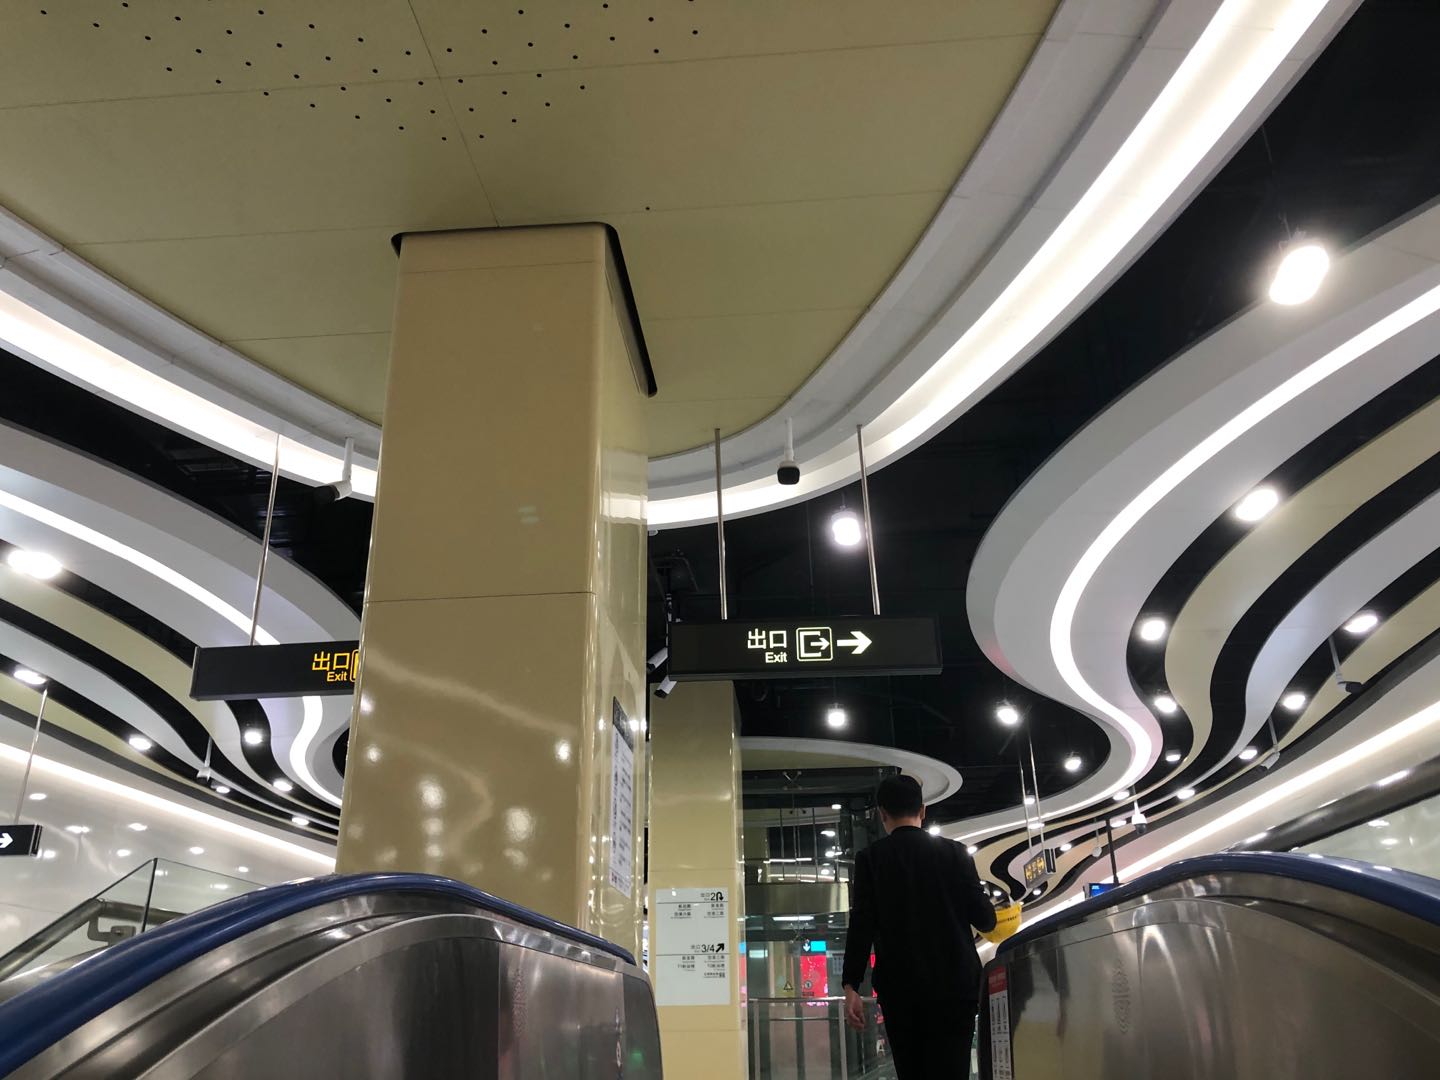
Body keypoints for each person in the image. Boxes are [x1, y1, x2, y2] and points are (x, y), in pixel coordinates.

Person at [841, 774, 998, 1078]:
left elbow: (861, 925)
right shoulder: (955, 853)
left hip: (901, 991)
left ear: (882, 813)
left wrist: (851, 986)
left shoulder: (871, 859)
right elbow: (986, 920)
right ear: (923, 810)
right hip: (956, 988)